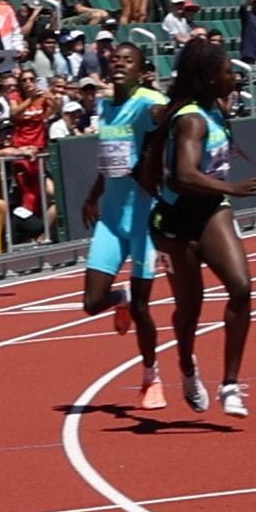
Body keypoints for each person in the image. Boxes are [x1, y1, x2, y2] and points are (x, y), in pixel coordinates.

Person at [138, 39, 256, 416]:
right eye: (229, 71)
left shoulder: (215, 108)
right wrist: (234, 187)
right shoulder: (192, 120)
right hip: (176, 219)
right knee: (190, 306)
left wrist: (225, 194)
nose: (235, 75)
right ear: (210, 78)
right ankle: (186, 364)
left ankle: (230, 385)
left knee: (241, 287)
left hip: (212, 210)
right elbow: (182, 175)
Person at [75, 40, 166, 389]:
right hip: (111, 220)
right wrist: (93, 196)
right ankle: (120, 299)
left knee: (144, 308)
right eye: (115, 60)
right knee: (92, 302)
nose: (119, 65)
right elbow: (110, 160)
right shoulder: (105, 107)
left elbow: (165, 114)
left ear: (142, 72)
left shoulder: (147, 102)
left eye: (128, 61)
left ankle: (150, 375)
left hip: (144, 220)